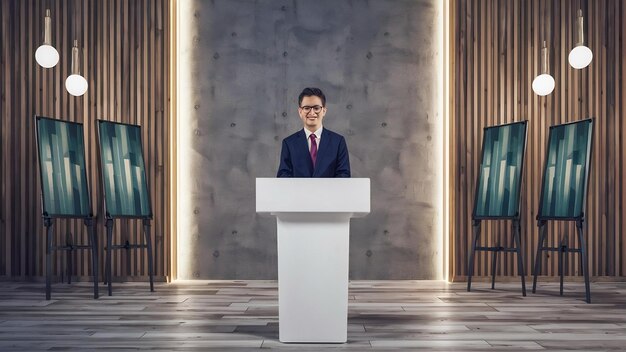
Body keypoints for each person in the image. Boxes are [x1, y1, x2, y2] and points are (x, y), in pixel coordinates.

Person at [277, 87, 351, 178]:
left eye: (316, 108)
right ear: (300, 112)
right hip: (298, 192)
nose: (312, 112)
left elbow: (343, 175)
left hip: (328, 192)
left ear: (324, 111)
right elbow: (283, 176)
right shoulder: (289, 143)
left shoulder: (338, 142)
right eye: (307, 108)